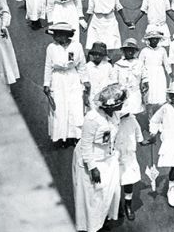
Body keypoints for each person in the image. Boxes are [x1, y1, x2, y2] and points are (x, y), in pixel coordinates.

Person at [72, 84, 124, 232]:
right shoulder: (92, 118)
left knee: (108, 192)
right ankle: (92, 226)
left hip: (108, 157)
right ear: (109, 106)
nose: (122, 105)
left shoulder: (115, 114)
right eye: (119, 103)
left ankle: (102, 219)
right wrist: (92, 167)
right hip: (92, 159)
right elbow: (86, 145)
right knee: (93, 196)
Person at [44, 22, 90, 146]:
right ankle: (60, 137)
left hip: (73, 78)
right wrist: (46, 84)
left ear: (66, 35)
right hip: (57, 79)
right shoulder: (51, 47)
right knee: (59, 108)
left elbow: (82, 65)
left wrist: (85, 80)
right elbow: (48, 66)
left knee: (74, 107)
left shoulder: (77, 46)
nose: (55, 37)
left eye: (58, 34)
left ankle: (74, 136)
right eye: (55, 34)